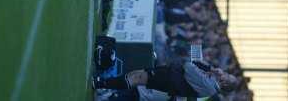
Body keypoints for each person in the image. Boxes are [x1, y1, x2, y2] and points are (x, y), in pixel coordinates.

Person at [93, 60, 237, 99]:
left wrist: (210, 70)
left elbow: (189, 67)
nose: (223, 72)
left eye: (226, 75)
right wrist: (210, 68)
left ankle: (101, 83)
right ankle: (104, 85)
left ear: (224, 83)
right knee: (136, 74)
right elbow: (196, 63)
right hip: (170, 75)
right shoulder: (210, 80)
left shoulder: (210, 87)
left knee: (136, 78)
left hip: (169, 80)